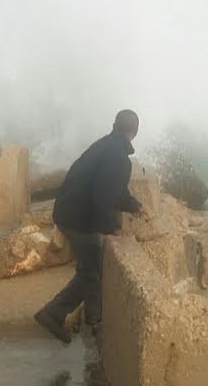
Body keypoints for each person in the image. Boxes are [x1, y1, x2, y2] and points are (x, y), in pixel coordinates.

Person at [34, 109, 144, 343]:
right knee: (91, 272)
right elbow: (102, 196)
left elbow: (113, 190)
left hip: (68, 210)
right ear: (135, 132)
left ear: (115, 125)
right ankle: (69, 317)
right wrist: (112, 227)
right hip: (77, 217)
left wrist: (134, 205)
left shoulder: (106, 146)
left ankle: (85, 318)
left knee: (91, 269)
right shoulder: (119, 158)